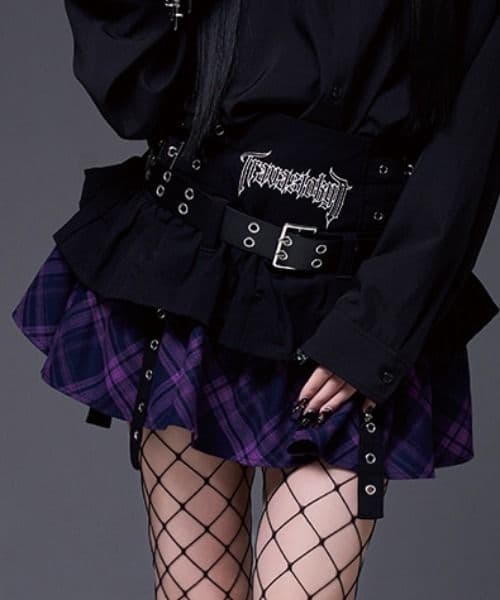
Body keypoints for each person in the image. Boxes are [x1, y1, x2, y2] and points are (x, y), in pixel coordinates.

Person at [11, 1, 499, 598]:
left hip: (349, 301)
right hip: (197, 285)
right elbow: (132, 96)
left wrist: (373, 331)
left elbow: (469, 151)